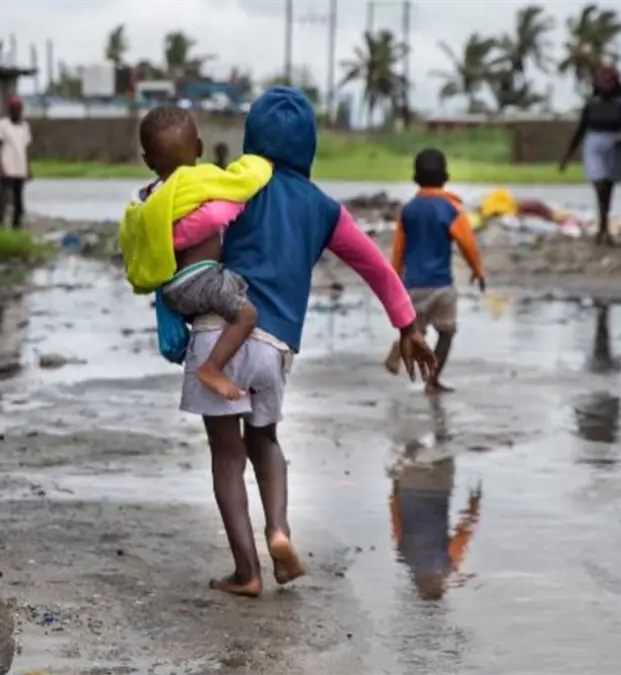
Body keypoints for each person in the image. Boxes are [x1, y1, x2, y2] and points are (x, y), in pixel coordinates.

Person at [177, 86, 436, 597]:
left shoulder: (236, 185)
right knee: (266, 442)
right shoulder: (324, 208)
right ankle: (279, 530)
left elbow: (186, 227)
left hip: (219, 331)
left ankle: (247, 571)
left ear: (252, 140)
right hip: (275, 346)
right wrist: (407, 324)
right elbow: (375, 267)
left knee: (227, 456)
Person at [122, 107, 270, 400]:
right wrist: (260, 164)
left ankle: (200, 358)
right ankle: (212, 368)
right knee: (247, 316)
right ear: (199, 148)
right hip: (199, 280)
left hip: (172, 291)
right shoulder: (197, 181)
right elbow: (240, 186)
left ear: (148, 161)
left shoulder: (148, 197)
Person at [383, 148, 485, 395]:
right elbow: (467, 244)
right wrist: (478, 270)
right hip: (442, 285)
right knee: (447, 332)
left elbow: (398, 250)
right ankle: (432, 380)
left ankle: (401, 346)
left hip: (413, 286)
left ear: (415, 178)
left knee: (415, 331)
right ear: (446, 176)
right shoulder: (451, 209)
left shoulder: (408, 210)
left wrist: (394, 279)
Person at [389, 444, 481, 601]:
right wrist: (396, 487)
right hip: (410, 486)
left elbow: (464, 532)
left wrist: (474, 504)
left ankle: (440, 425)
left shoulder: (447, 563)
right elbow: (396, 519)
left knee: (443, 441)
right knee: (411, 441)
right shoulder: (404, 555)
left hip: (439, 487)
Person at [559, 65, 621, 245]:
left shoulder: (619, 107)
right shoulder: (591, 107)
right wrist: (567, 157)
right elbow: (580, 131)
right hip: (594, 146)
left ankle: (604, 227)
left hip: (613, 147)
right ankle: (602, 227)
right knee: (599, 184)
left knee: (608, 187)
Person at [0, 96, 31, 228]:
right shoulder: (2, 125)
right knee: (3, 197)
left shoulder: (25, 127)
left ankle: (17, 223)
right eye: (14, 109)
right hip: (7, 167)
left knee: (18, 198)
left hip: (20, 167)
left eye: (19, 109)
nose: (17, 112)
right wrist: (0, 167)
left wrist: (28, 168)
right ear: (10, 110)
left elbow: (26, 149)